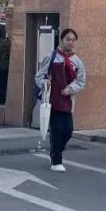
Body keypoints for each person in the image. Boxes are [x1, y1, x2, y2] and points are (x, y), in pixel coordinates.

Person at [34, 28, 87, 172]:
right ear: (62, 40)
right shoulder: (52, 57)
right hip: (52, 100)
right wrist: (45, 83)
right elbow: (39, 76)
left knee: (68, 131)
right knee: (56, 130)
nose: (70, 42)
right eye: (68, 39)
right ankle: (56, 160)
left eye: (73, 40)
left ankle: (57, 150)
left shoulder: (77, 61)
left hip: (68, 101)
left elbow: (81, 81)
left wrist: (70, 89)